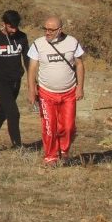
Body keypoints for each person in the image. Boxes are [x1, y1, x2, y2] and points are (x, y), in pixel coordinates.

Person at [26, 16, 86, 166]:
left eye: (51, 30)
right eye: (45, 29)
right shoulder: (38, 44)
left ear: (60, 29)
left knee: (68, 126)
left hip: (69, 92)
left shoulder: (72, 42)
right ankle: (51, 156)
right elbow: (32, 68)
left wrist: (80, 87)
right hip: (46, 92)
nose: (47, 32)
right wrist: (31, 89)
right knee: (49, 127)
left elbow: (79, 64)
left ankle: (64, 151)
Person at [0, 10, 29, 150]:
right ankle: (18, 146)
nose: (14, 30)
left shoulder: (22, 37)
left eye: (16, 26)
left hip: (15, 81)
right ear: (4, 24)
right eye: (10, 27)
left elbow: (27, 60)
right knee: (13, 113)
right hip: (0, 81)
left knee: (2, 113)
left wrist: (33, 82)